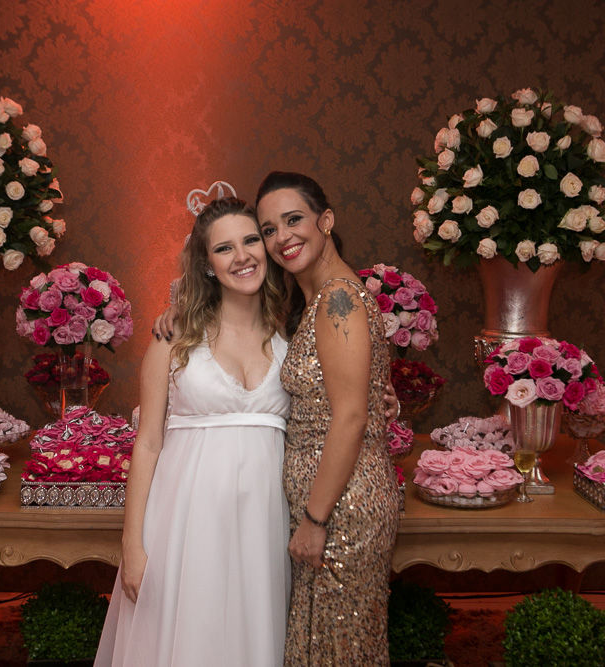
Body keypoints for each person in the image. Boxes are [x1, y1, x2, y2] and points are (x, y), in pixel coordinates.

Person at [95, 195, 292, 666]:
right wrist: (132, 544)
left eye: (251, 240)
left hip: (263, 525)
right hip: (183, 525)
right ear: (206, 264)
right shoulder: (174, 337)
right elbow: (147, 444)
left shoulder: (292, 333)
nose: (242, 256)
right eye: (224, 248)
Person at [256, 171, 401, 666]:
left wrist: (315, 521)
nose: (282, 237)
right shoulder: (318, 298)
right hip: (329, 502)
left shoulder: (339, 297)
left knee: (339, 651)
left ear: (326, 221)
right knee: (323, 647)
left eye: (293, 219)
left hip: (342, 509)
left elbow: (352, 417)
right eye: (269, 229)